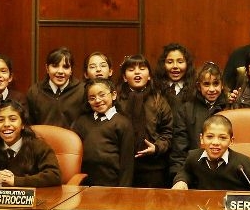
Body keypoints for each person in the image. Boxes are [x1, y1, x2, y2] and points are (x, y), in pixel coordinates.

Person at [117, 54, 175, 188]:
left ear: (149, 76)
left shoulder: (159, 100)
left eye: (142, 68)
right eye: (131, 69)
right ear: (125, 77)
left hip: (154, 166)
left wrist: (157, 147)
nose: (137, 72)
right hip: (122, 165)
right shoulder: (117, 101)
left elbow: (168, 133)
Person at [172, 115, 250, 191]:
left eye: (222, 138)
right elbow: (185, 172)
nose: (215, 142)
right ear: (201, 139)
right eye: (209, 137)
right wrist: (181, 181)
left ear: (231, 141)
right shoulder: (193, 157)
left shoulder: (243, 165)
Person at [71, 77, 135, 187]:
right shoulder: (81, 122)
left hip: (112, 184)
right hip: (85, 184)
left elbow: (127, 163)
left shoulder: (123, 123)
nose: (97, 100)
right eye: (92, 98)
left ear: (114, 95)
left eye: (102, 95)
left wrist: (123, 190)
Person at [172, 61, 228, 166]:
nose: (211, 89)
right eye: (206, 84)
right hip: (195, 170)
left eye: (216, 84)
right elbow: (179, 152)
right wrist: (180, 178)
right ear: (199, 86)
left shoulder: (232, 108)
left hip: (226, 170)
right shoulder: (186, 110)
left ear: (222, 85)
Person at [26, 47, 85, 128]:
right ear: (47, 68)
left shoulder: (82, 91)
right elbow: (29, 124)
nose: (60, 71)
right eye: (55, 66)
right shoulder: (35, 91)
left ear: (71, 70)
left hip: (71, 139)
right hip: (41, 139)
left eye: (66, 67)